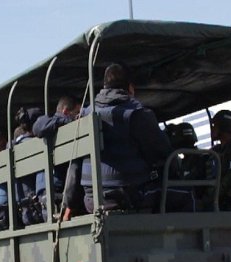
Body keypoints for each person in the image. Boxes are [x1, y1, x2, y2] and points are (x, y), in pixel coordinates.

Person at [80, 63, 172, 213]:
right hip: (127, 196)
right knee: (185, 195)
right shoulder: (137, 113)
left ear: (104, 86)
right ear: (130, 88)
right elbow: (163, 150)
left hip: (91, 199)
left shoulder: (86, 114)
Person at [32, 95, 83, 220]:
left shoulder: (56, 127)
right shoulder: (54, 124)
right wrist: (67, 121)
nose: (78, 117)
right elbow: (38, 127)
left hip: (53, 198)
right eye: (76, 113)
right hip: (56, 197)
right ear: (65, 111)